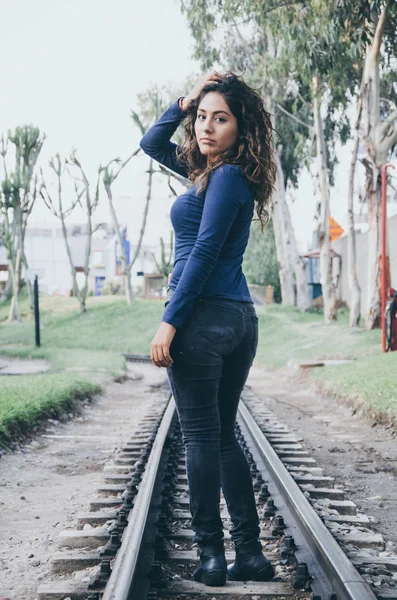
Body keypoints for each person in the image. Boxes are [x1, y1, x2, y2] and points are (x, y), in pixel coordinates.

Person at [139, 69, 277, 587]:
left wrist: (168, 322)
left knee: (201, 436)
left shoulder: (224, 178)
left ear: (241, 129)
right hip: (239, 321)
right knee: (220, 437)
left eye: (221, 119)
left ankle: (212, 558)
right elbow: (151, 141)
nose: (205, 127)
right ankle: (250, 555)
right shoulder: (213, 174)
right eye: (201, 118)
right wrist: (189, 97)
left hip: (204, 321)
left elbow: (202, 252)